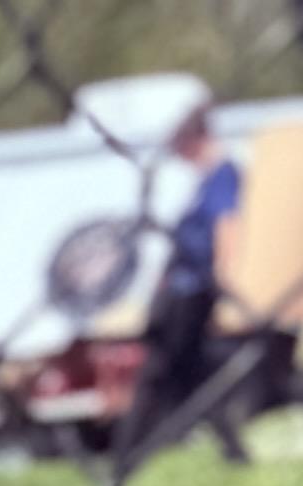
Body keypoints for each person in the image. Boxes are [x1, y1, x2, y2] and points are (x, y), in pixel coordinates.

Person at [123, 100, 245, 466]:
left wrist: (223, 283)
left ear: (194, 137)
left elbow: (228, 228)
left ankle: (124, 455)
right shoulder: (204, 178)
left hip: (194, 289)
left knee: (160, 370)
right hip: (179, 287)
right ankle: (233, 452)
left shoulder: (223, 173)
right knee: (190, 373)